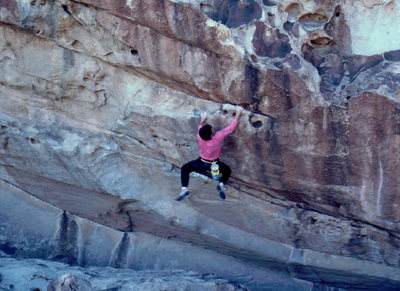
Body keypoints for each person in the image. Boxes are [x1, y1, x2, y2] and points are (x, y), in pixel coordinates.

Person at [177, 106, 243, 201]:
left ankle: (184, 189)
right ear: (211, 133)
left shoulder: (199, 137)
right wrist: (238, 113)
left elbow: (200, 128)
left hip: (200, 162)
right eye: (212, 129)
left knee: (185, 168)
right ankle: (221, 184)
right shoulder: (217, 137)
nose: (213, 129)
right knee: (227, 170)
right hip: (214, 164)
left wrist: (202, 119)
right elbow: (230, 129)